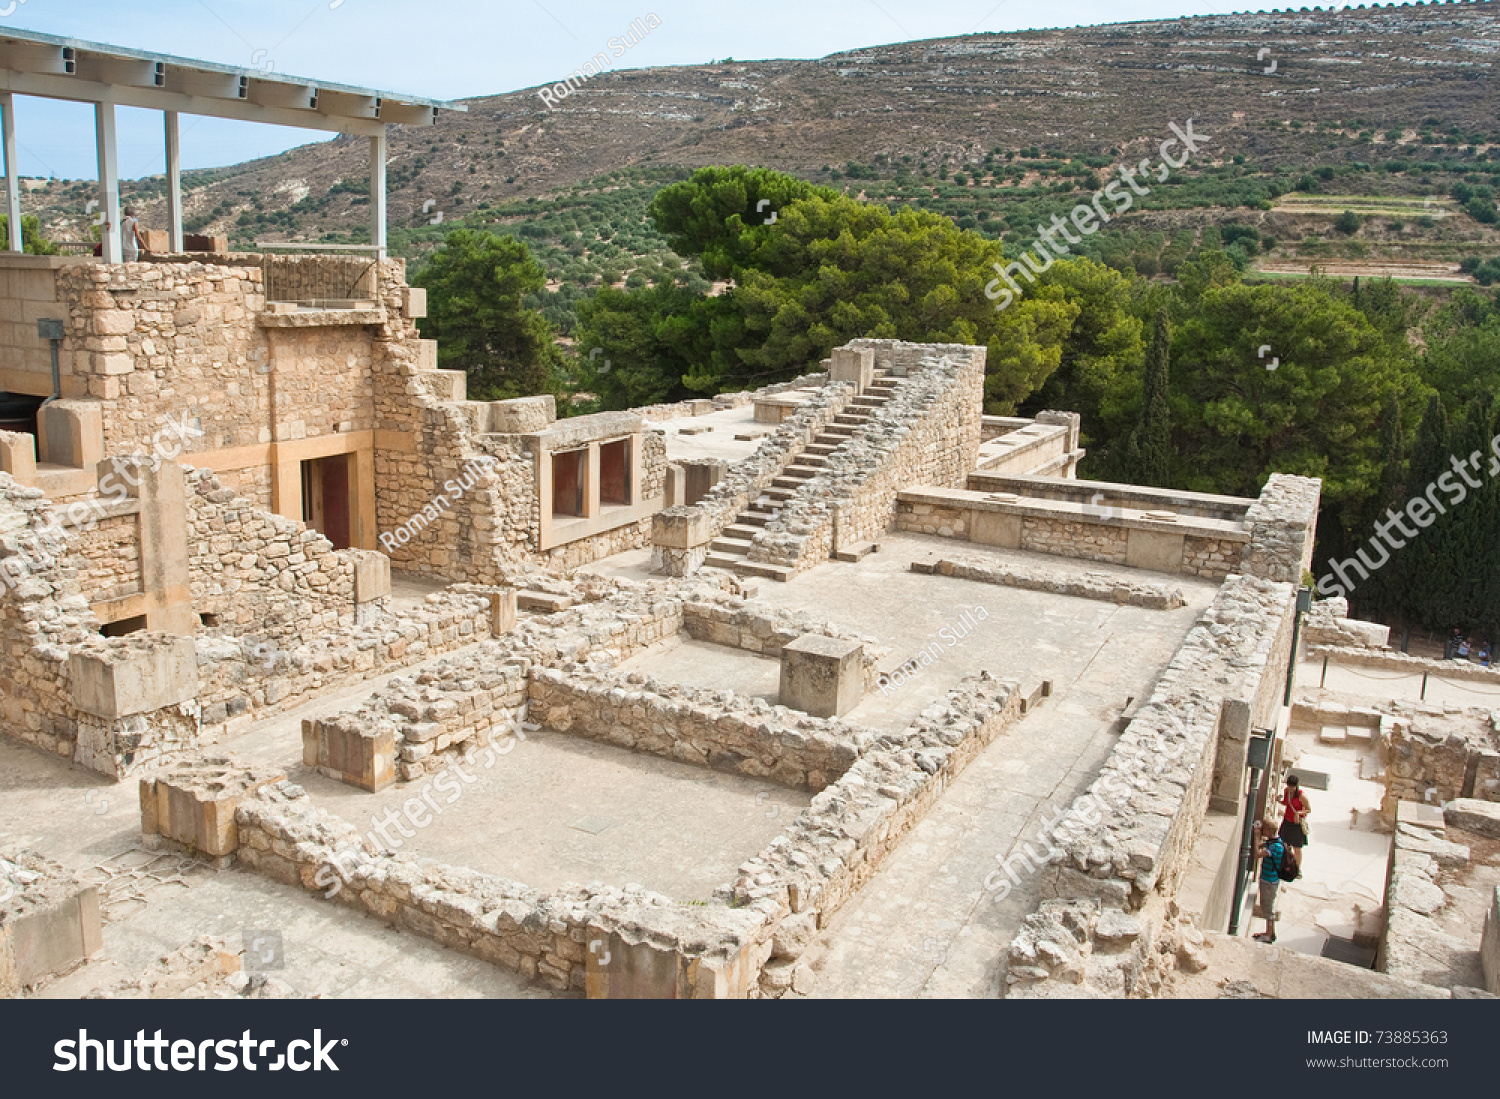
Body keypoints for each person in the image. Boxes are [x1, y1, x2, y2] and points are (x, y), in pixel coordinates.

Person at [1254, 818, 1288, 944]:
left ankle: (1269, 935)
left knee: (1268, 907)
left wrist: (1257, 836)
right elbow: (1260, 846)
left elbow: (1257, 854)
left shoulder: (1275, 847)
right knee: (1267, 907)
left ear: (1269, 830)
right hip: (1269, 880)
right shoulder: (1275, 841)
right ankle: (1269, 932)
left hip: (1269, 881)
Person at [1279, 773, 1310, 853]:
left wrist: (1298, 813)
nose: (1291, 789)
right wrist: (1279, 801)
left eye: (1293, 787)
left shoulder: (1301, 796)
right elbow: (1286, 803)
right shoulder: (1286, 791)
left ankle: (1297, 865)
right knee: (1283, 844)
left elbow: (1308, 809)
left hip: (1297, 823)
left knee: (1297, 848)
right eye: (1289, 786)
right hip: (1287, 820)